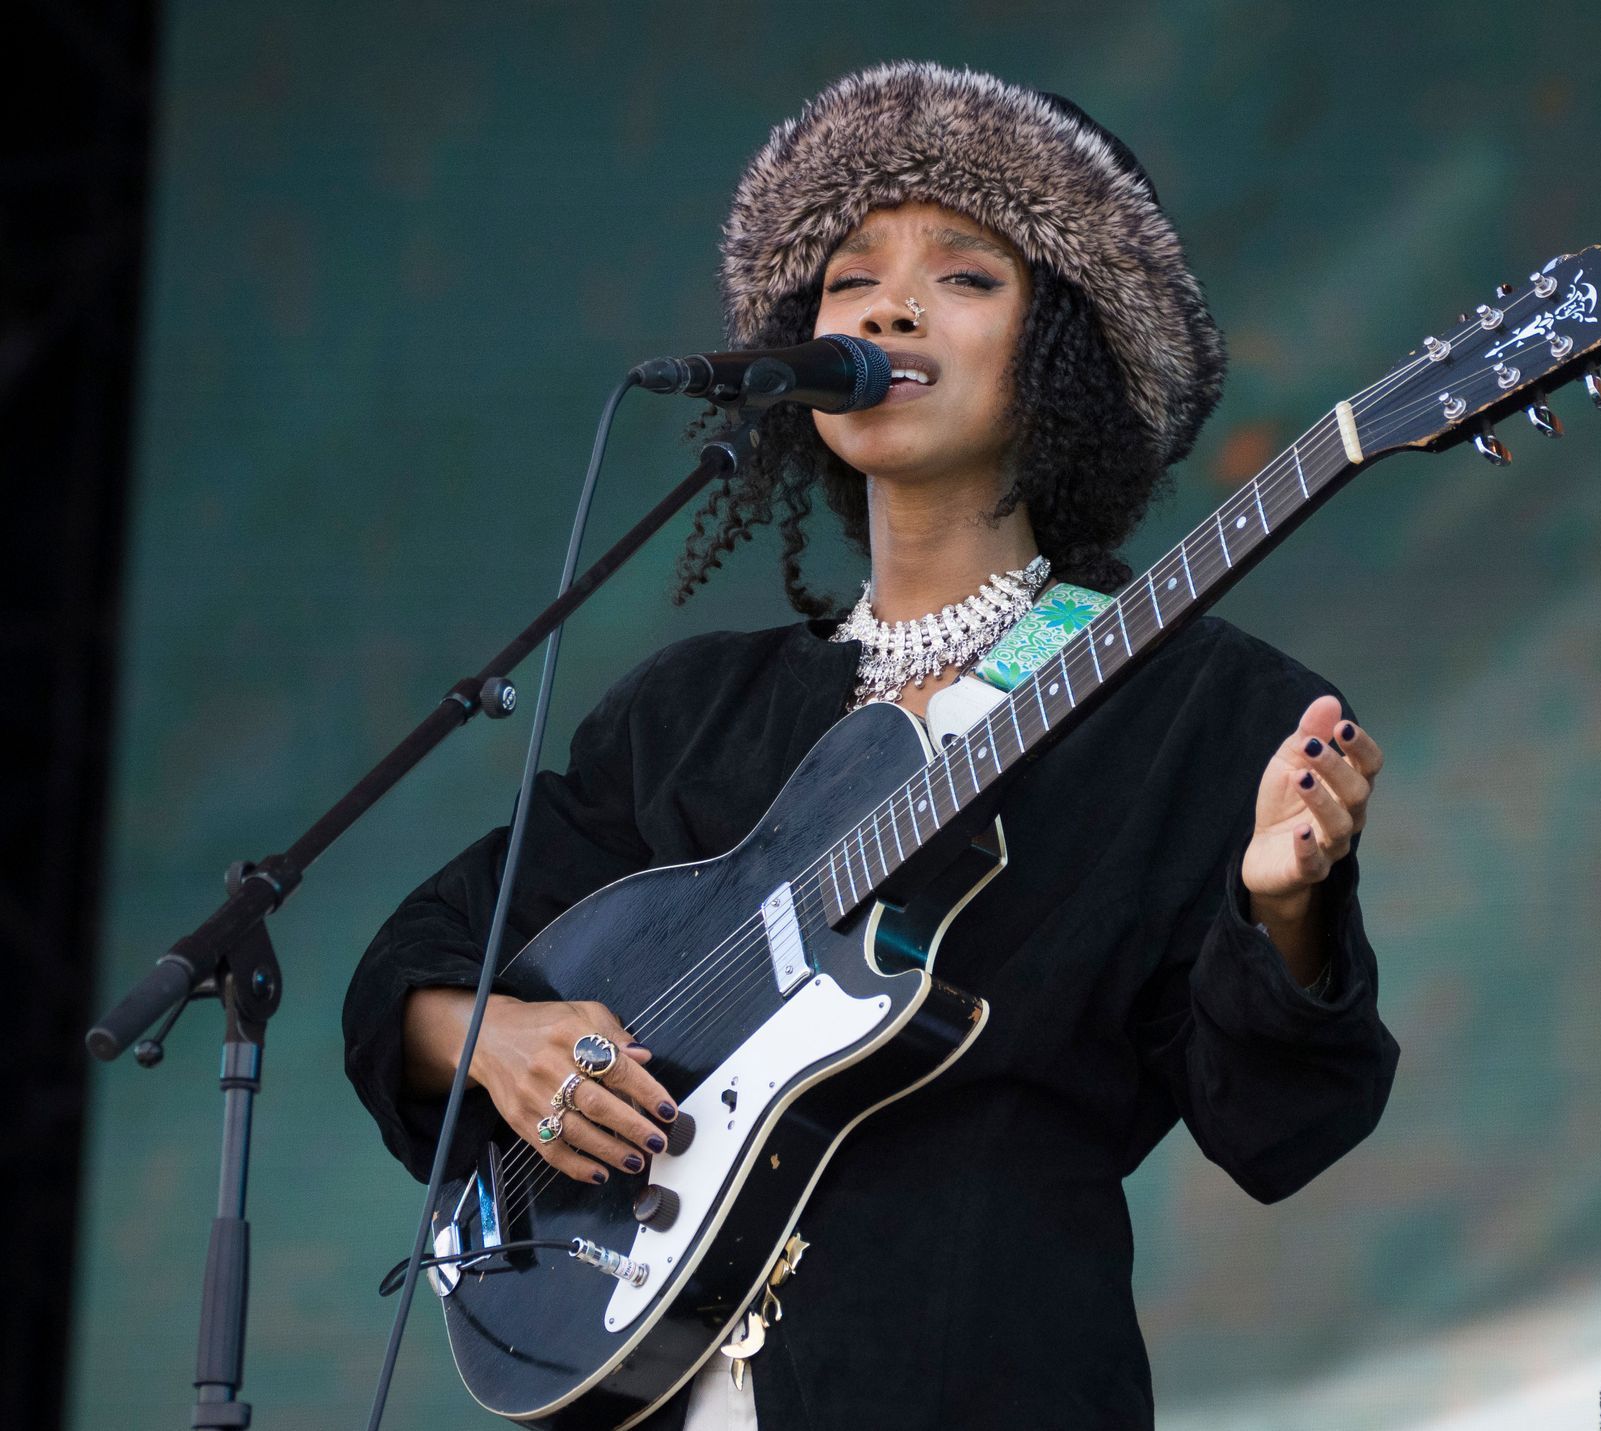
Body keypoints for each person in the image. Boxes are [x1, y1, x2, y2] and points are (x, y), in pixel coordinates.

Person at [344, 61, 1399, 1431]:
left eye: (965, 277)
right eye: (850, 281)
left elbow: (1277, 1124)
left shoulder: (1192, 702)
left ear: (1066, 359)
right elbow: (431, 957)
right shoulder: (689, 713)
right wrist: (496, 1041)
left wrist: (1284, 915)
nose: (889, 306)